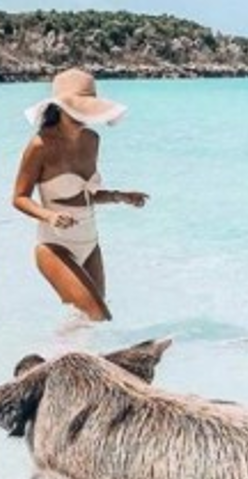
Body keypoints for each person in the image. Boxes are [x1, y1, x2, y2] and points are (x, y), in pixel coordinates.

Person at [12, 68, 148, 321]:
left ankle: (55, 356)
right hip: (54, 245)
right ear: (58, 107)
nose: (82, 116)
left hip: (90, 242)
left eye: (86, 109)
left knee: (86, 325)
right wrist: (49, 216)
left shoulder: (92, 140)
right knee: (99, 316)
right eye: (75, 108)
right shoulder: (40, 145)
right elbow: (18, 198)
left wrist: (121, 196)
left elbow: (86, 194)